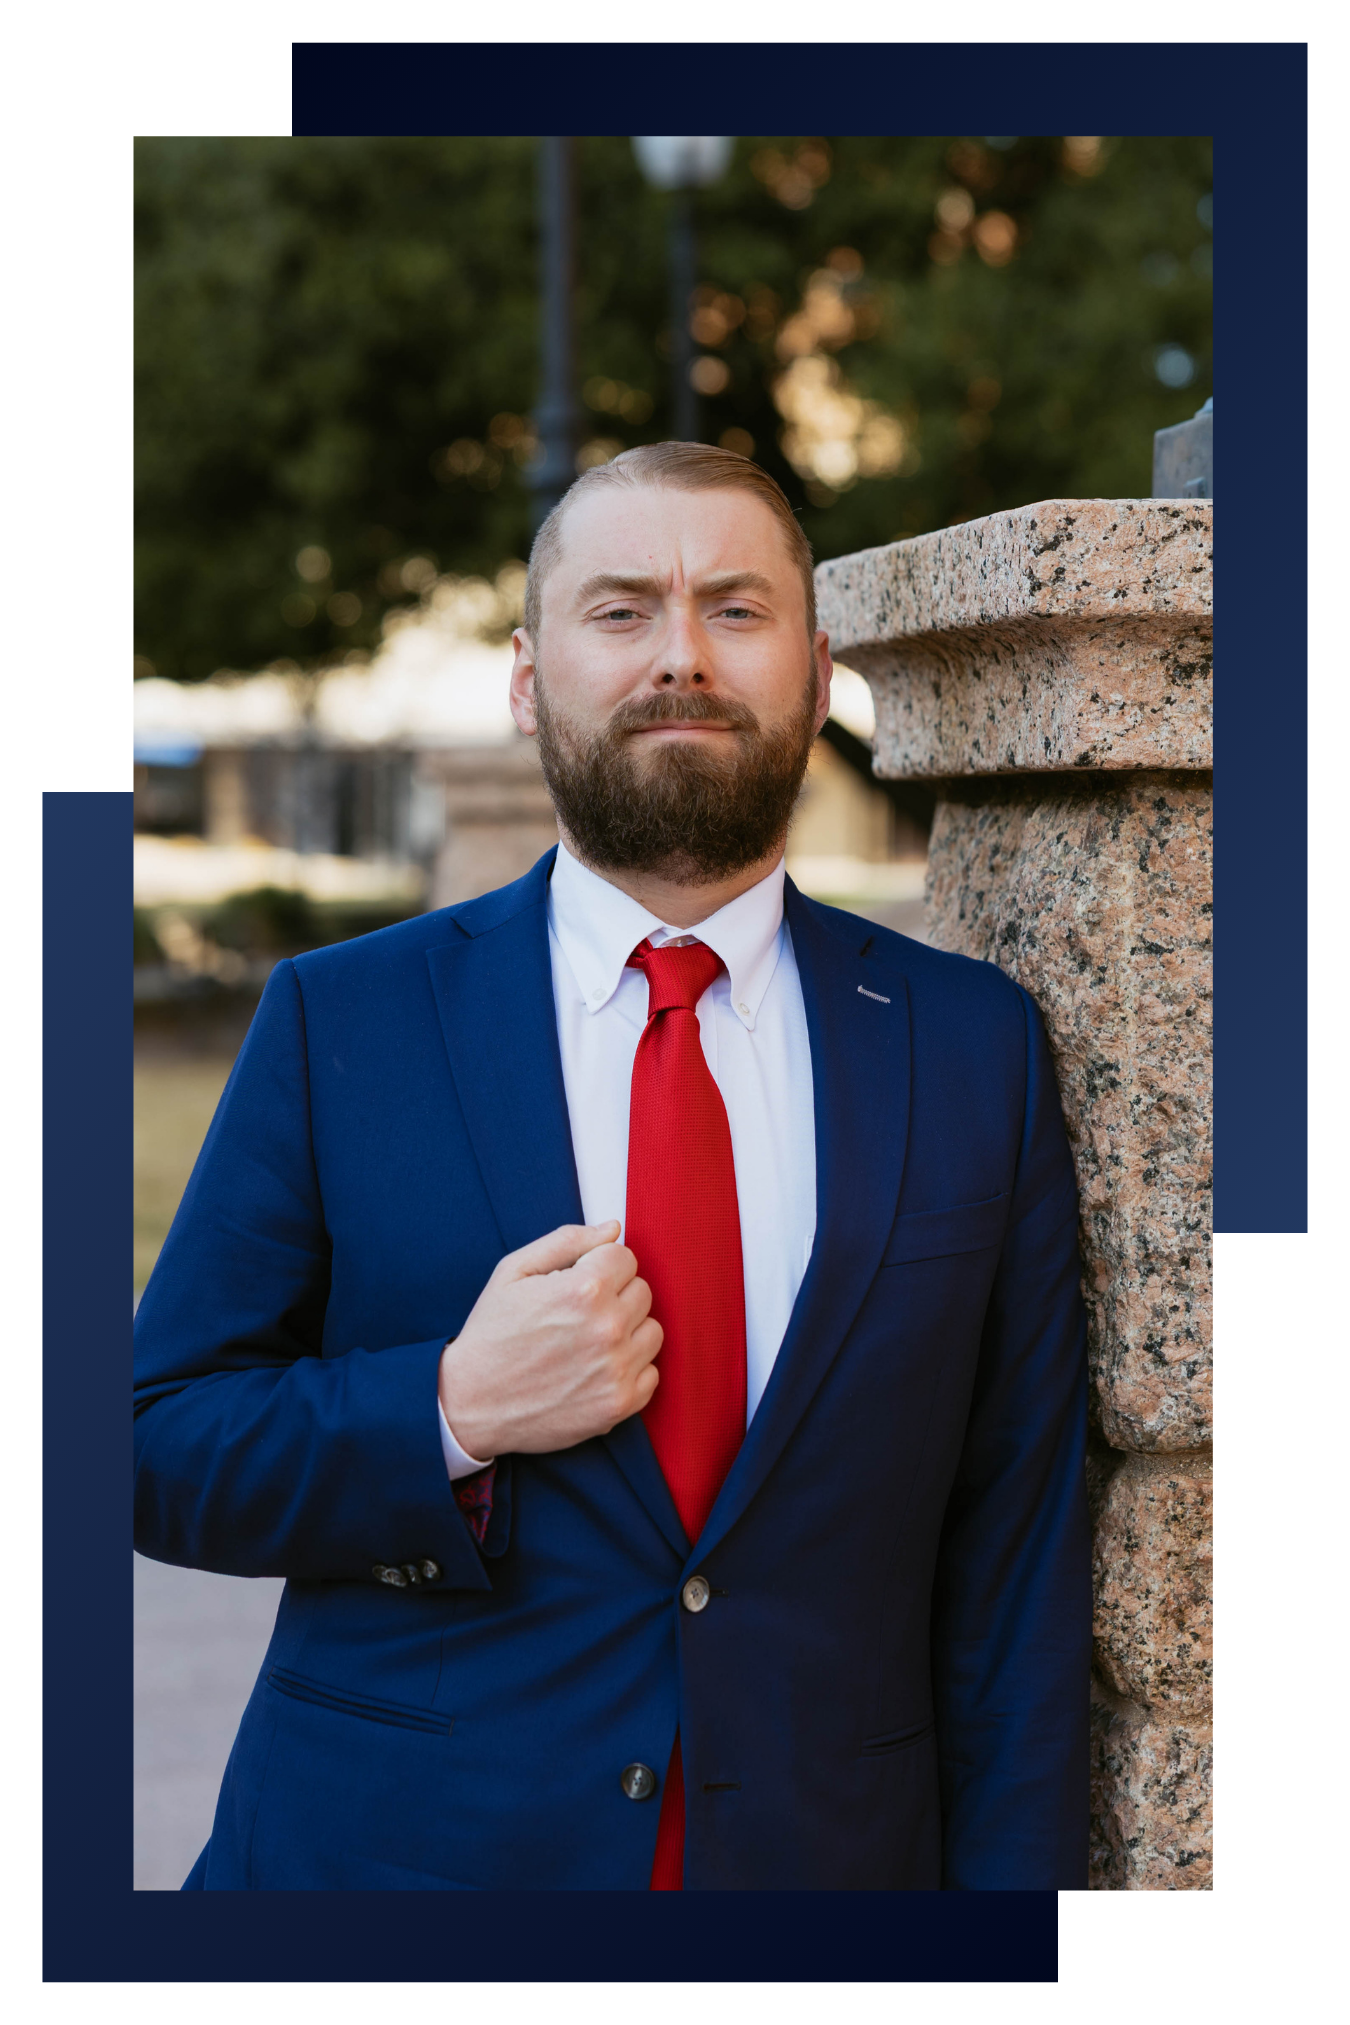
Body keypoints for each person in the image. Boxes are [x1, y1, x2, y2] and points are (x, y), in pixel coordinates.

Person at [134, 443, 1090, 1909]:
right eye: (621, 610)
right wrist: (447, 1412)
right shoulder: (346, 1022)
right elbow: (149, 1443)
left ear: (819, 669)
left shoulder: (973, 1050)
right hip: (395, 1869)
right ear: (527, 678)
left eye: (735, 608)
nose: (680, 658)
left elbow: (1014, 1567)